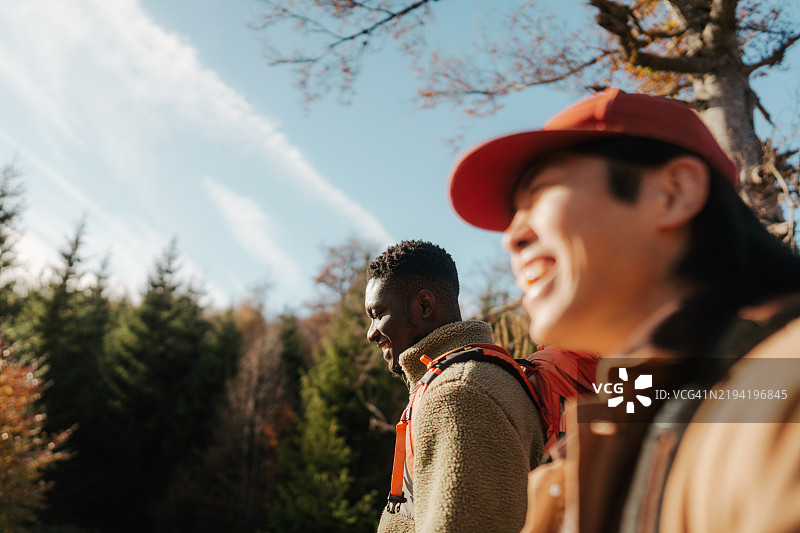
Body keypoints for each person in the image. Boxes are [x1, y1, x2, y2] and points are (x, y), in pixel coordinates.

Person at [448, 88, 800, 532]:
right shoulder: (607, 425)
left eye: (538, 193)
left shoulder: (783, 392)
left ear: (672, 192)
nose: (510, 237)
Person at [365, 240, 545, 533]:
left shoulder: (459, 394)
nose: (371, 333)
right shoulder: (463, 379)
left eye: (378, 314)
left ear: (425, 305)